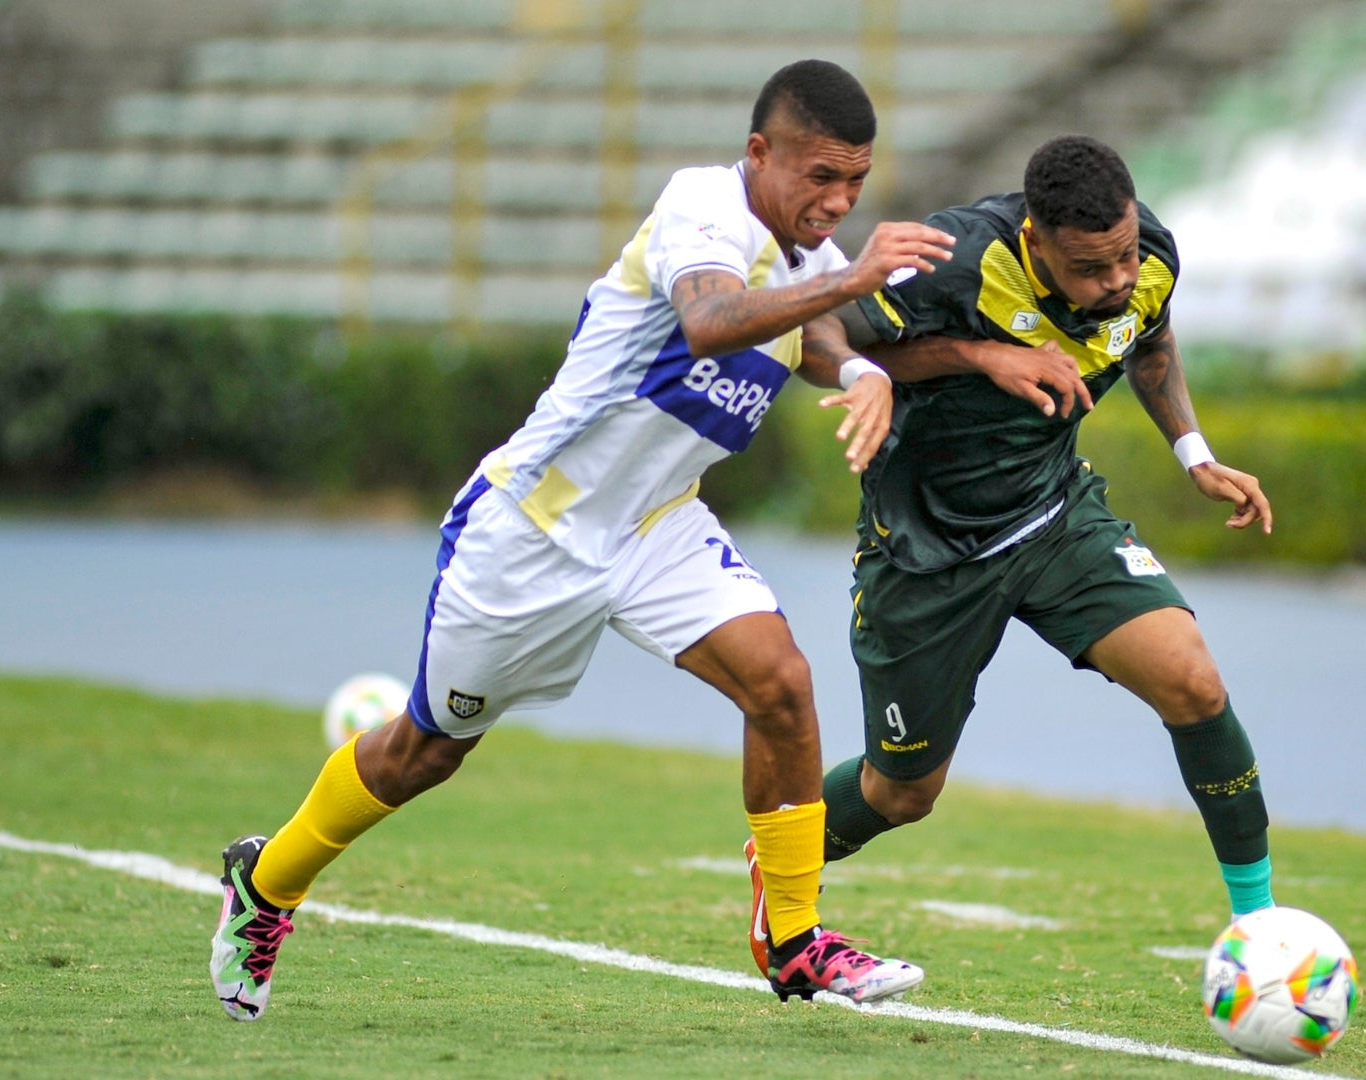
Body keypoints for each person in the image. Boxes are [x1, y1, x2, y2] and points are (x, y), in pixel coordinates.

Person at [209, 59, 963, 1021]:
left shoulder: (808, 251)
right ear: (759, 152)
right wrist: (854, 278)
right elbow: (712, 320)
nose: (839, 202)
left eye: (855, 182)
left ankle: (794, 942)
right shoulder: (703, 206)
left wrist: (860, 370)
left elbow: (811, 327)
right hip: (537, 527)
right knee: (424, 752)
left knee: (781, 684)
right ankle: (267, 881)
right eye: (821, 177)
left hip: (658, 524)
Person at [744, 135, 1279, 975]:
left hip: (1055, 517)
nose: (1116, 280)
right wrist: (979, 354)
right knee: (901, 792)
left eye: (1123, 255)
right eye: (1089, 268)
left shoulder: (1147, 258)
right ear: (1035, 241)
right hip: (927, 551)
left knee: (1194, 683)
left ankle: (1261, 930)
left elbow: (1150, 340)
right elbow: (816, 336)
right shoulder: (953, 260)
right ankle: (781, 860)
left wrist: (1194, 454)